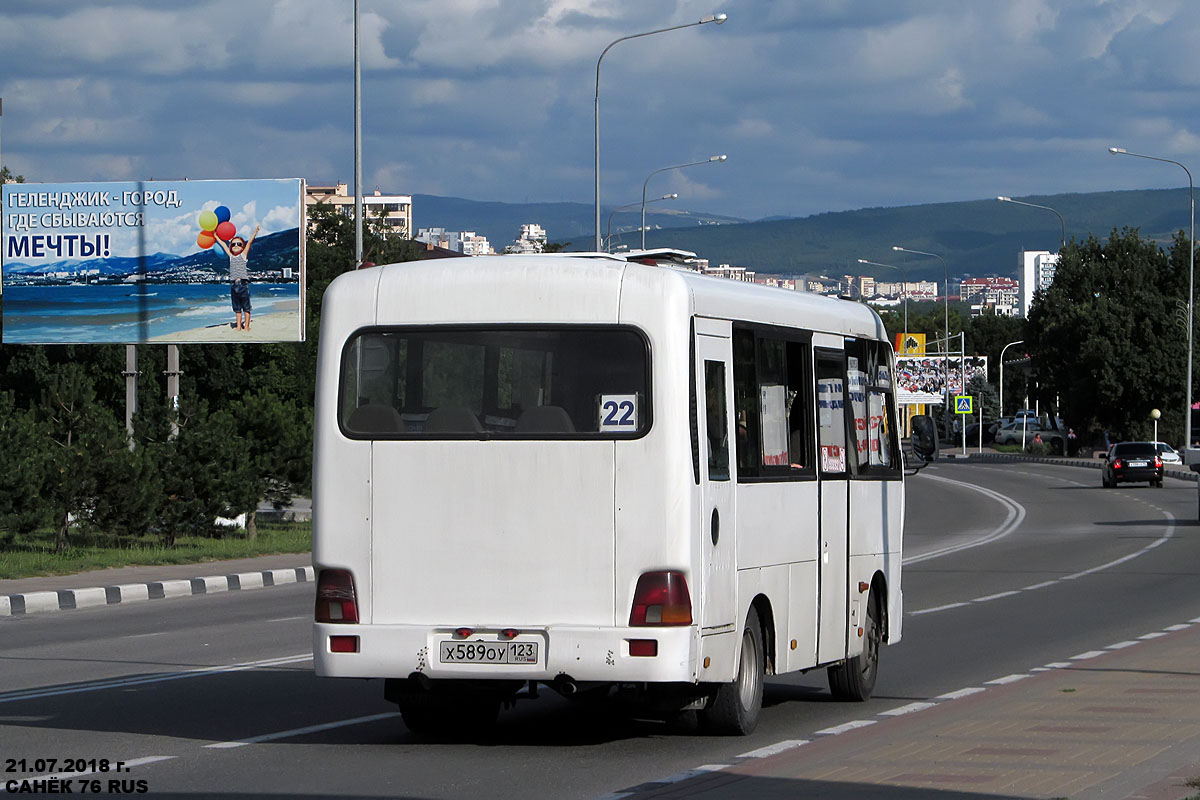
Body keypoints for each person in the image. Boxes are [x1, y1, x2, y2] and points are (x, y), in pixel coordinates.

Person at [213, 224, 261, 332]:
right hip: (233, 285)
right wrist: (216, 237)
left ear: (242, 247)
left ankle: (247, 326)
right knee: (237, 309)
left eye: (238, 244)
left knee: (246, 308)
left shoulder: (243, 255)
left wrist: (255, 231)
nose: (235, 245)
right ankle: (239, 326)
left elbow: (249, 242)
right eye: (233, 244)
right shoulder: (231, 256)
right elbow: (224, 245)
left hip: (243, 285)